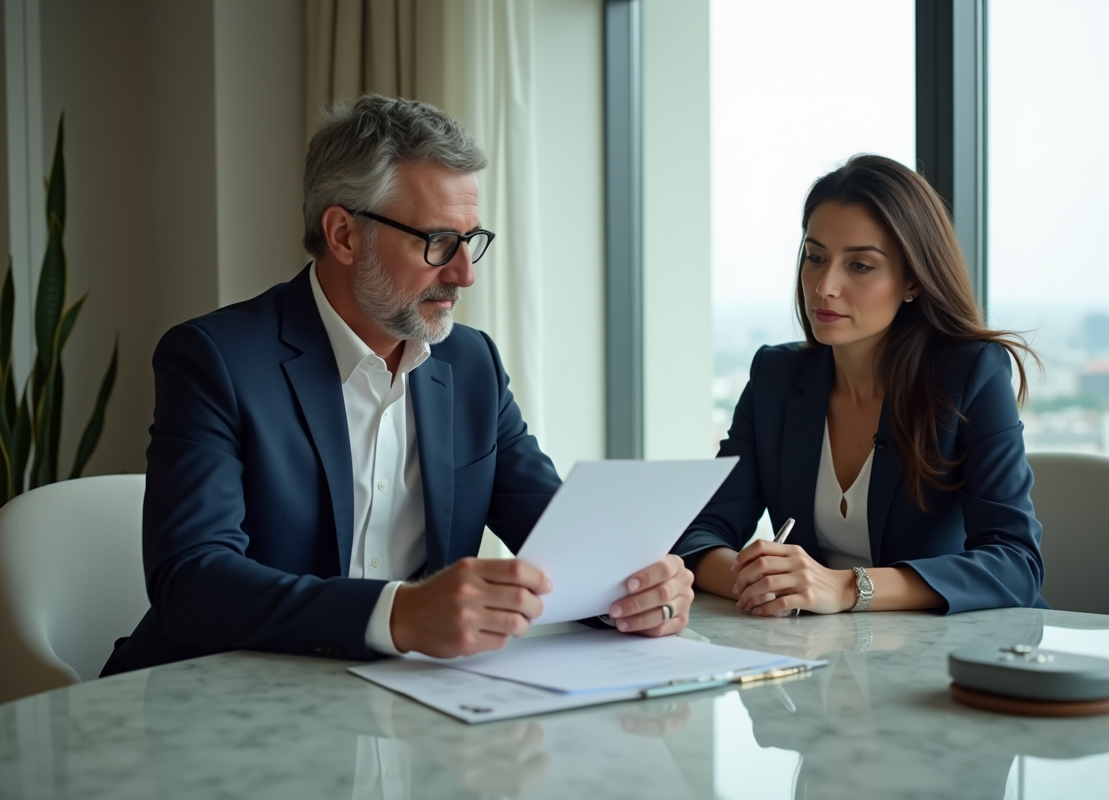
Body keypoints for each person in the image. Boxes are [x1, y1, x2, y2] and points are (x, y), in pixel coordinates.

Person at [101, 94, 693, 676]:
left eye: (472, 241)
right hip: (217, 707)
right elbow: (192, 581)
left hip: (404, 706)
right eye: (437, 242)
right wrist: (397, 614)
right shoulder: (216, 360)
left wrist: (636, 590)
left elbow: (562, 547)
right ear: (344, 235)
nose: (464, 274)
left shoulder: (471, 364)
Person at [673, 154, 1044, 617]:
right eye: (816, 257)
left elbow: (1016, 564)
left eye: (861, 266)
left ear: (912, 278)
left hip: (950, 657)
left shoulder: (969, 375)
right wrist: (769, 582)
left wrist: (847, 588)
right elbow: (699, 533)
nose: (825, 286)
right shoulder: (775, 377)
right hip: (821, 657)